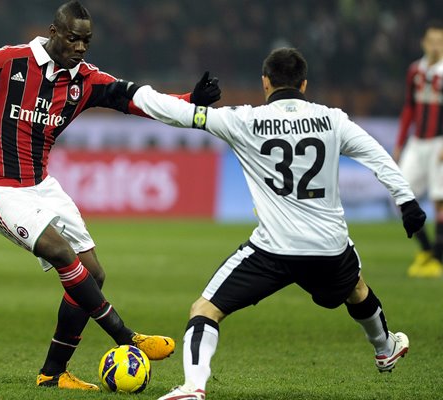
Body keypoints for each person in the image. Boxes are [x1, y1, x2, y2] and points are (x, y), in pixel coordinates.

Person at [0, 1, 221, 392]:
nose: (81, 47)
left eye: (87, 40)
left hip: (41, 184)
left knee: (92, 273)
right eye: (74, 38)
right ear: (54, 31)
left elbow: (137, 100)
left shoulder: (87, 80)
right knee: (62, 253)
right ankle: (126, 337)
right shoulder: (7, 61)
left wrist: (188, 99)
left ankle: (53, 373)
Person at [108, 48, 426, 400]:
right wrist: (406, 199)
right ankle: (385, 347)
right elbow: (375, 153)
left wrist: (128, 90)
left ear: (265, 82)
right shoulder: (333, 120)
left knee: (205, 309)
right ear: (304, 83)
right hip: (328, 246)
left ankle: (193, 387)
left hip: (272, 249)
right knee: (355, 288)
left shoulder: (244, 120)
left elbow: (180, 114)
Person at [393, 20, 443, 278]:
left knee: (439, 200)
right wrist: (400, 142)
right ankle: (426, 250)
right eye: (432, 41)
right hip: (417, 142)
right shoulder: (415, 71)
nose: (435, 46)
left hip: (440, 142)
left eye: (440, 41)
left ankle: (438, 257)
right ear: (424, 43)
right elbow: (409, 107)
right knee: (401, 194)